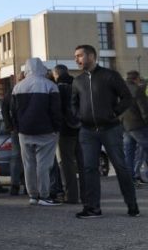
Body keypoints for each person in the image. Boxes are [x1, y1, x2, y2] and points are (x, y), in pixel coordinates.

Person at [71, 44, 139, 218]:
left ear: (91, 56)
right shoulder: (78, 81)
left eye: (79, 56)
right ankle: (93, 208)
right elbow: (73, 103)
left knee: (120, 167)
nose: (76, 59)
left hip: (110, 129)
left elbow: (127, 97)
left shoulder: (110, 76)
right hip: (87, 132)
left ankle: (132, 205)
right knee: (89, 169)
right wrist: (79, 116)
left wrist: (114, 113)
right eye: (76, 56)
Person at [10, 58, 62, 206]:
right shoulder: (50, 86)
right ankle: (44, 195)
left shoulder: (18, 87)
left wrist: (17, 127)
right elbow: (55, 111)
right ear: (42, 68)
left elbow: (13, 111)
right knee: (44, 165)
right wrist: (56, 128)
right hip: (46, 131)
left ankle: (32, 195)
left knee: (29, 165)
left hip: (24, 132)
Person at [52, 64, 82, 204]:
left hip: (65, 130)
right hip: (82, 128)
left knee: (66, 164)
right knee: (83, 163)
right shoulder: (78, 85)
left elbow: (56, 111)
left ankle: (71, 196)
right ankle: (88, 194)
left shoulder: (57, 88)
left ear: (56, 74)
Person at [121, 70, 148, 186]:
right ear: (136, 79)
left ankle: (129, 180)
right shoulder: (138, 90)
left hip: (126, 126)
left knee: (129, 154)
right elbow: (144, 110)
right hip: (138, 125)